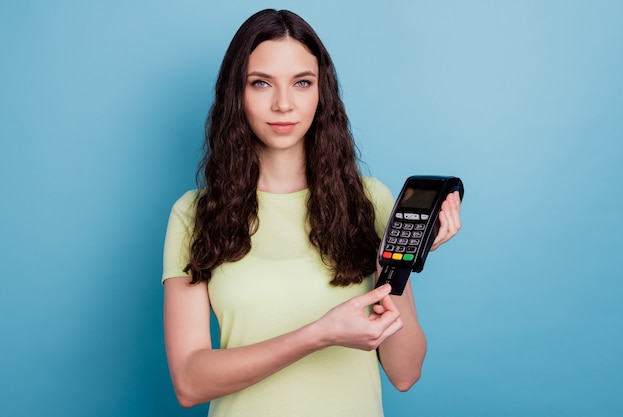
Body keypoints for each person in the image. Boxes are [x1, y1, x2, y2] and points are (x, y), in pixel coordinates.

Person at [162, 9, 462, 417]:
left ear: (323, 94)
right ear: (237, 94)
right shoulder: (194, 214)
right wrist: (318, 335)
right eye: (261, 83)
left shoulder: (369, 201)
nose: (283, 103)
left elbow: (405, 373)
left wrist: (391, 269)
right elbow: (189, 381)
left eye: (302, 83)